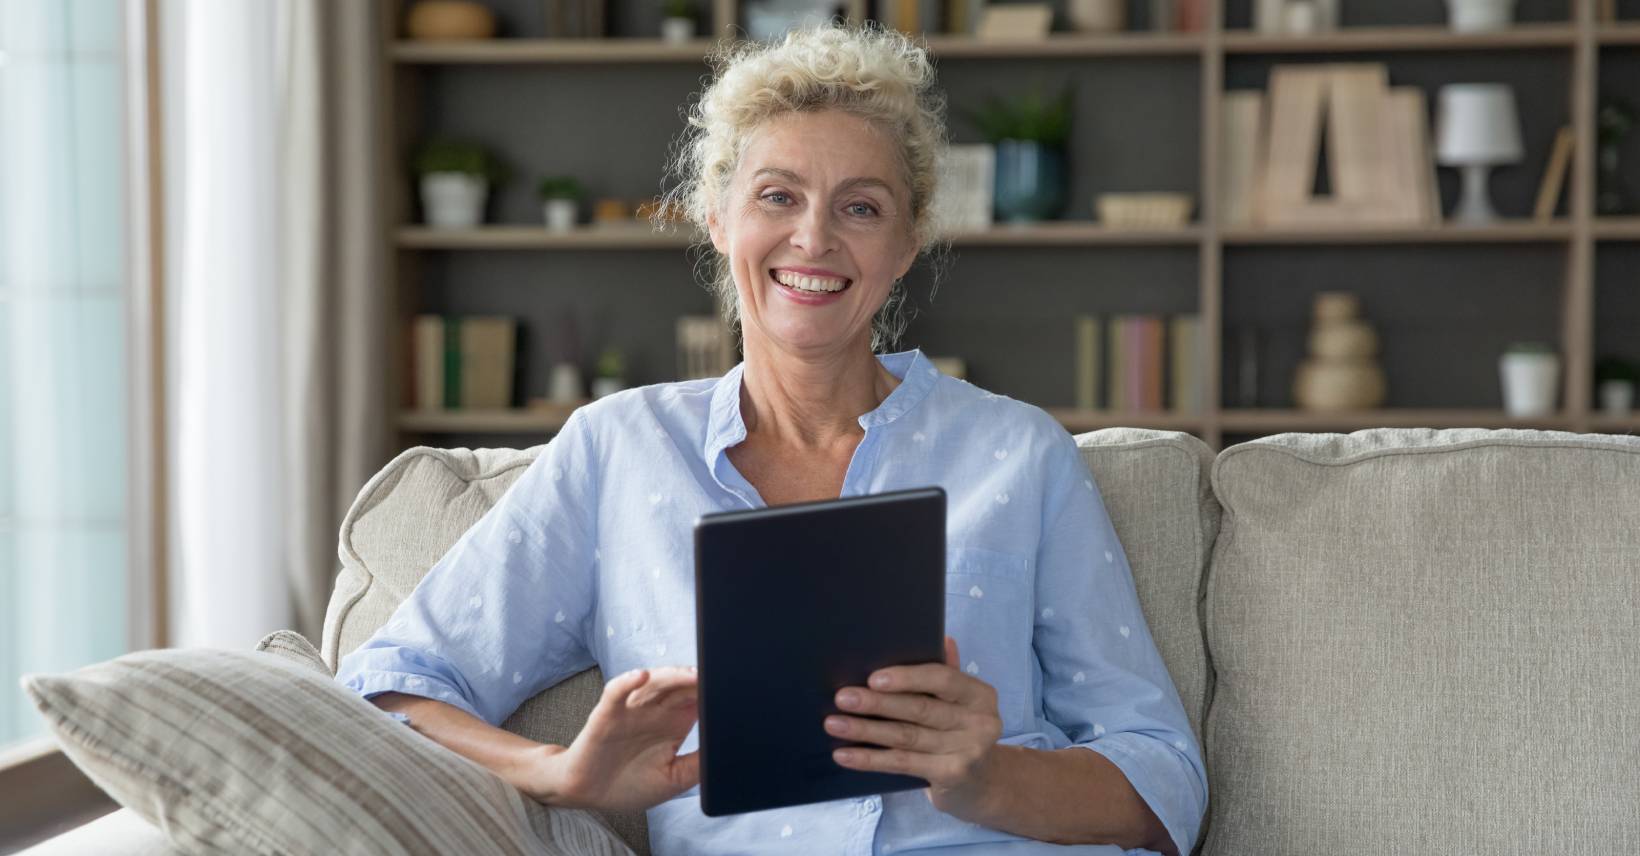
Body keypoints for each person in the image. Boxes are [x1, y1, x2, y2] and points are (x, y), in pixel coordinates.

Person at [336, 21, 1205, 855]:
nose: (814, 237)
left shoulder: (1019, 453)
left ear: (906, 245)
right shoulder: (617, 452)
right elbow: (388, 688)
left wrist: (987, 780)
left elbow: (1164, 775)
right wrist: (559, 774)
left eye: (861, 207)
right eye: (777, 196)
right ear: (717, 218)